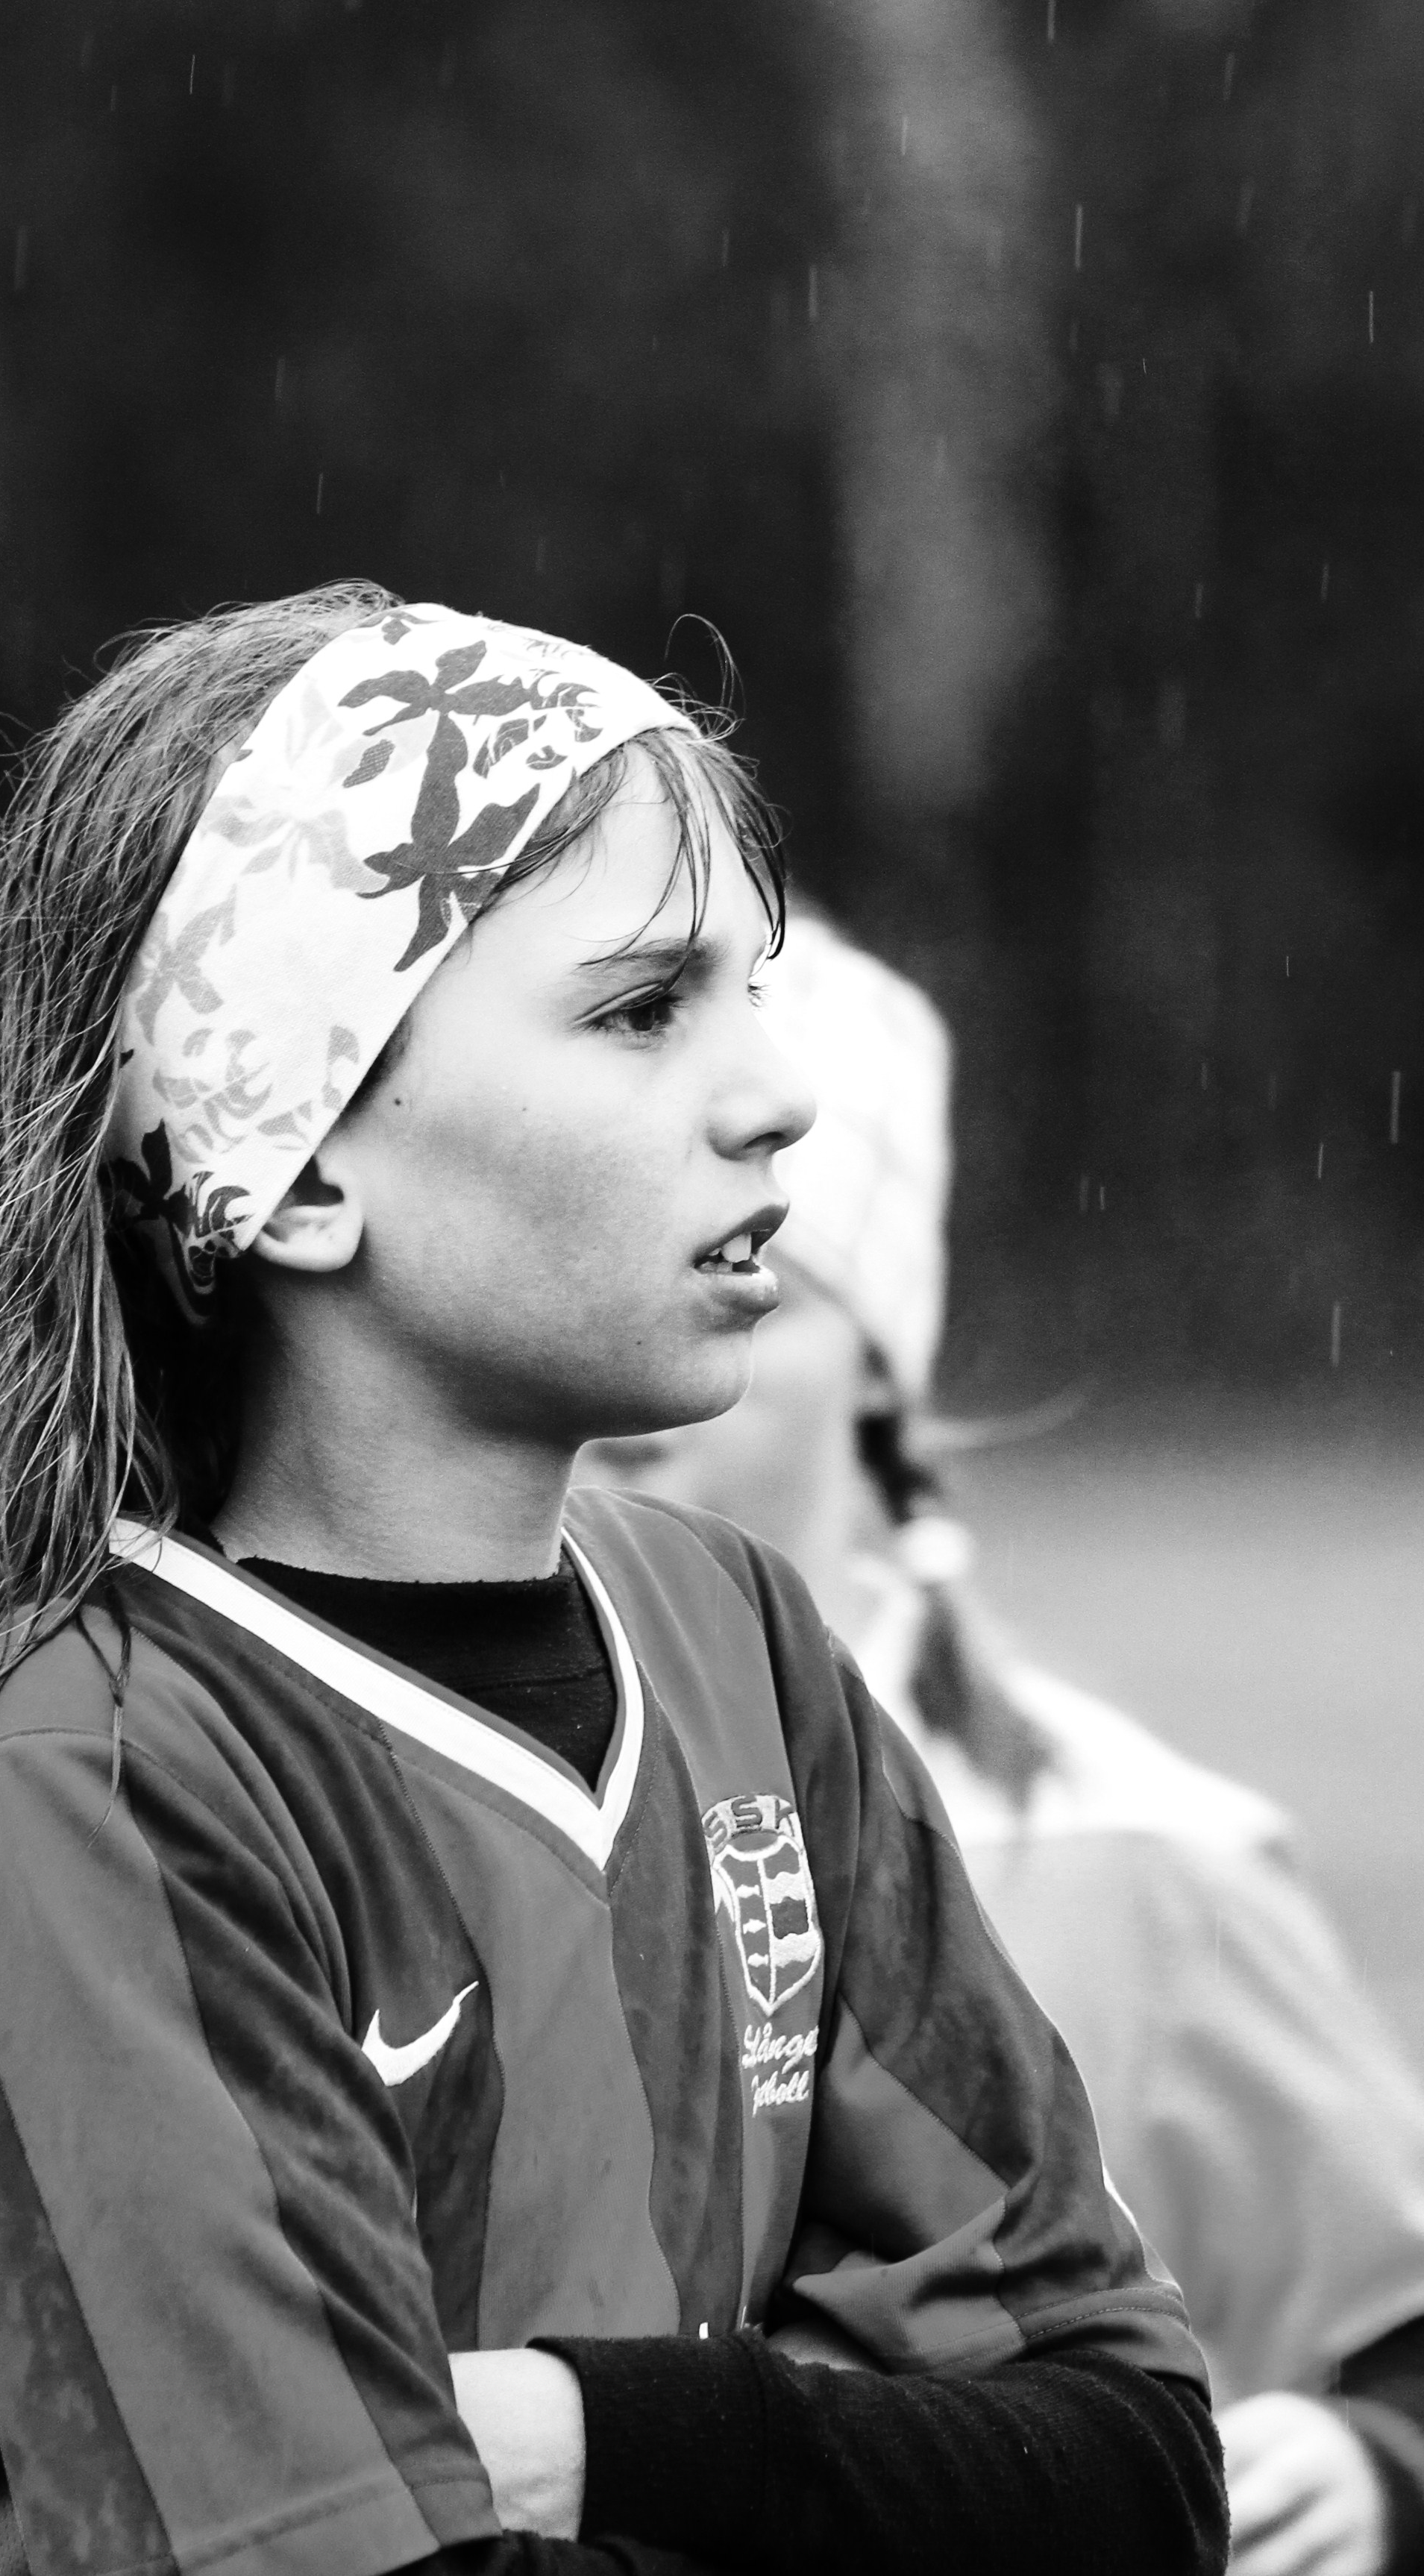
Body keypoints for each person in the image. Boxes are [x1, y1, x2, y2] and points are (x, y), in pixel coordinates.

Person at [0, 586, 1224, 2576]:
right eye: (642, 1007)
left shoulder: (746, 1644)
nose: (778, 1092)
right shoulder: (105, 1781)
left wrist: (612, 2432)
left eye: (753, 989)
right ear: (299, 1167)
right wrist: (876, 2475)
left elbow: (1139, 2459)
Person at [582, 908, 1424, 2576]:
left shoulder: (1137, 1859)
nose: (638, 1354)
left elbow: (1393, 2330)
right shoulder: (394, 1786)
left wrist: (1375, 2463)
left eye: (752, 1275)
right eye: (596, 1256)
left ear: (880, 1375)